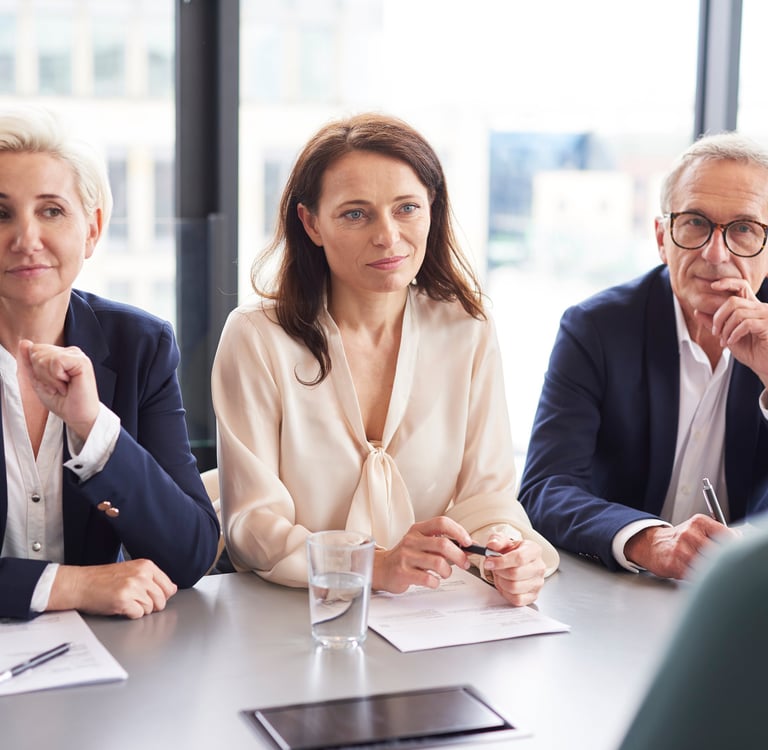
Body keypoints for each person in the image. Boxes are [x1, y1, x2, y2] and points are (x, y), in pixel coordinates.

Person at [212, 112, 558, 606]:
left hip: (429, 612)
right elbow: (252, 525)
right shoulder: (256, 337)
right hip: (289, 611)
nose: (388, 236)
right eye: (356, 214)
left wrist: (505, 551)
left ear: (432, 208)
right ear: (311, 223)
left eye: (407, 208)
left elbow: (488, 498)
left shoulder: (467, 328)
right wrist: (372, 565)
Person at [0, 106, 220, 620]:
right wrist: (70, 586)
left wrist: (94, 428)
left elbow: (191, 553)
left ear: (92, 230)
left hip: (100, 654)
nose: (26, 239)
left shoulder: (140, 345)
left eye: (51, 211)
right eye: (0, 213)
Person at [519, 131, 768, 580]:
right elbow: (545, 488)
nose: (715, 254)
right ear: (661, 237)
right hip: (618, 591)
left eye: (744, 229)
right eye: (695, 222)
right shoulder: (596, 328)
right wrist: (651, 541)